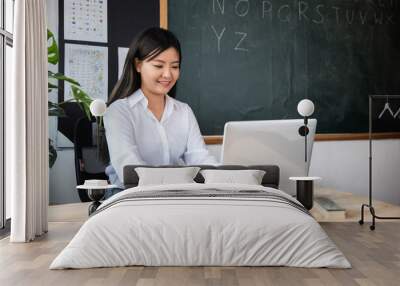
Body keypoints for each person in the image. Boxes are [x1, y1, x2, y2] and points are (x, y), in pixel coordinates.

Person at [103, 27, 218, 192]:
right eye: (158, 66)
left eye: (174, 66)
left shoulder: (184, 111)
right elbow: (130, 171)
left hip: (175, 194)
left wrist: (224, 176)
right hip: (128, 195)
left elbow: (200, 157)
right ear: (138, 65)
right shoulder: (119, 112)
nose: (168, 74)